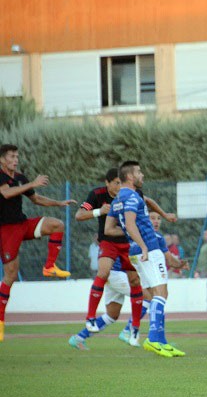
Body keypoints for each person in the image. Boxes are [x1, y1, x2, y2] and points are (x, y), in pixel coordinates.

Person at [77, 167, 176, 346]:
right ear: (107, 183)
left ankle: (82, 337)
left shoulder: (133, 195)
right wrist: (100, 211)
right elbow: (79, 215)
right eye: (115, 183)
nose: (118, 187)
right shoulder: (97, 195)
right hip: (113, 250)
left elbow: (149, 201)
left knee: (113, 314)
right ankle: (134, 331)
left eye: (120, 183)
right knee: (151, 294)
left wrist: (164, 215)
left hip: (129, 249)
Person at [69, 211, 187, 351]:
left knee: (112, 315)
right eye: (152, 218)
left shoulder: (154, 237)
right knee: (152, 297)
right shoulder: (133, 234)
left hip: (114, 276)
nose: (156, 221)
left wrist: (179, 264)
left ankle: (78, 338)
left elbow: (169, 259)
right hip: (118, 274)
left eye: (159, 218)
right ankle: (131, 332)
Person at [105, 161, 184, 358]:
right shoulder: (131, 196)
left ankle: (162, 341)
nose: (142, 175)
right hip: (147, 249)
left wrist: (132, 238)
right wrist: (142, 245)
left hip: (136, 252)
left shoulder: (117, 200)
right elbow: (130, 224)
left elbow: (109, 229)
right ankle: (154, 339)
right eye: (139, 172)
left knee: (156, 294)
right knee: (161, 293)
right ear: (130, 177)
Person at [0, 144, 76, 341]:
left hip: (22, 224)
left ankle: (49, 266)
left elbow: (36, 199)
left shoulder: (20, 178)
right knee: (10, 276)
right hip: (6, 230)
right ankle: (0, 321)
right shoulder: (1, 176)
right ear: (2, 159)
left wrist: (59, 203)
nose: (15, 160)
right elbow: (7, 193)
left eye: (17, 156)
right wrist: (31, 184)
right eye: (11, 156)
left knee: (57, 225)